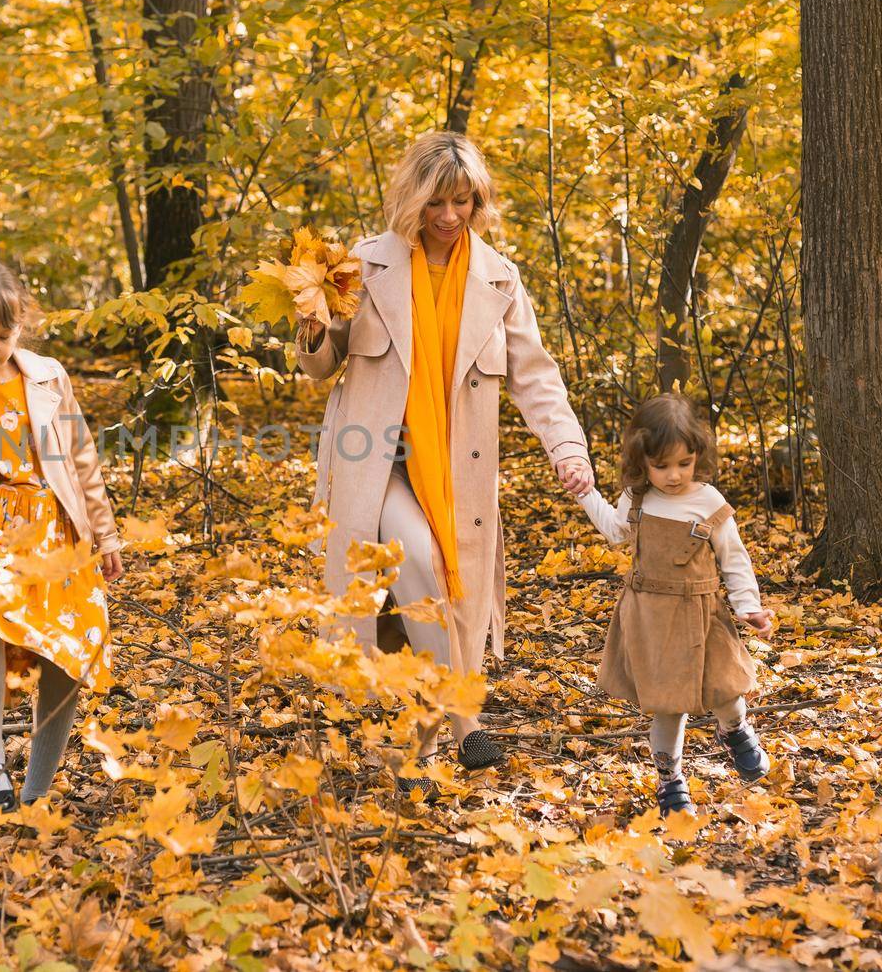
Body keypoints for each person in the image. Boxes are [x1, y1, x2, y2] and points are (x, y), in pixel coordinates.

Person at [295, 131, 593, 785]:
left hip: (456, 469)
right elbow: (321, 365)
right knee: (420, 560)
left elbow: (537, 379)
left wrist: (568, 449)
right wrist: (312, 329)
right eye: (438, 202)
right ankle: (465, 719)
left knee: (434, 595)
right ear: (415, 198)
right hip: (377, 460)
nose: (450, 216)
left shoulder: (499, 281)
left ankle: (420, 758)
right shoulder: (363, 265)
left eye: (463, 201)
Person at [0, 263, 125, 816]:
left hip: (59, 531)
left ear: (20, 330)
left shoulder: (49, 379)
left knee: (70, 642)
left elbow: (81, 459)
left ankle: (35, 792)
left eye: (2, 336)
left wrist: (105, 536)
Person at [576, 393, 776, 816]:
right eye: (661, 465)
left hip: (703, 612)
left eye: (683, 464)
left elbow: (733, 558)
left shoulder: (707, 500)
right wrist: (585, 493)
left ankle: (735, 731)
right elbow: (615, 532)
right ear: (642, 460)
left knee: (726, 689)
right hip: (652, 617)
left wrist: (749, 607)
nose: (672, 475)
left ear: (697, 456)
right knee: (669, 705)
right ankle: (671, 780)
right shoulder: (638, 498)